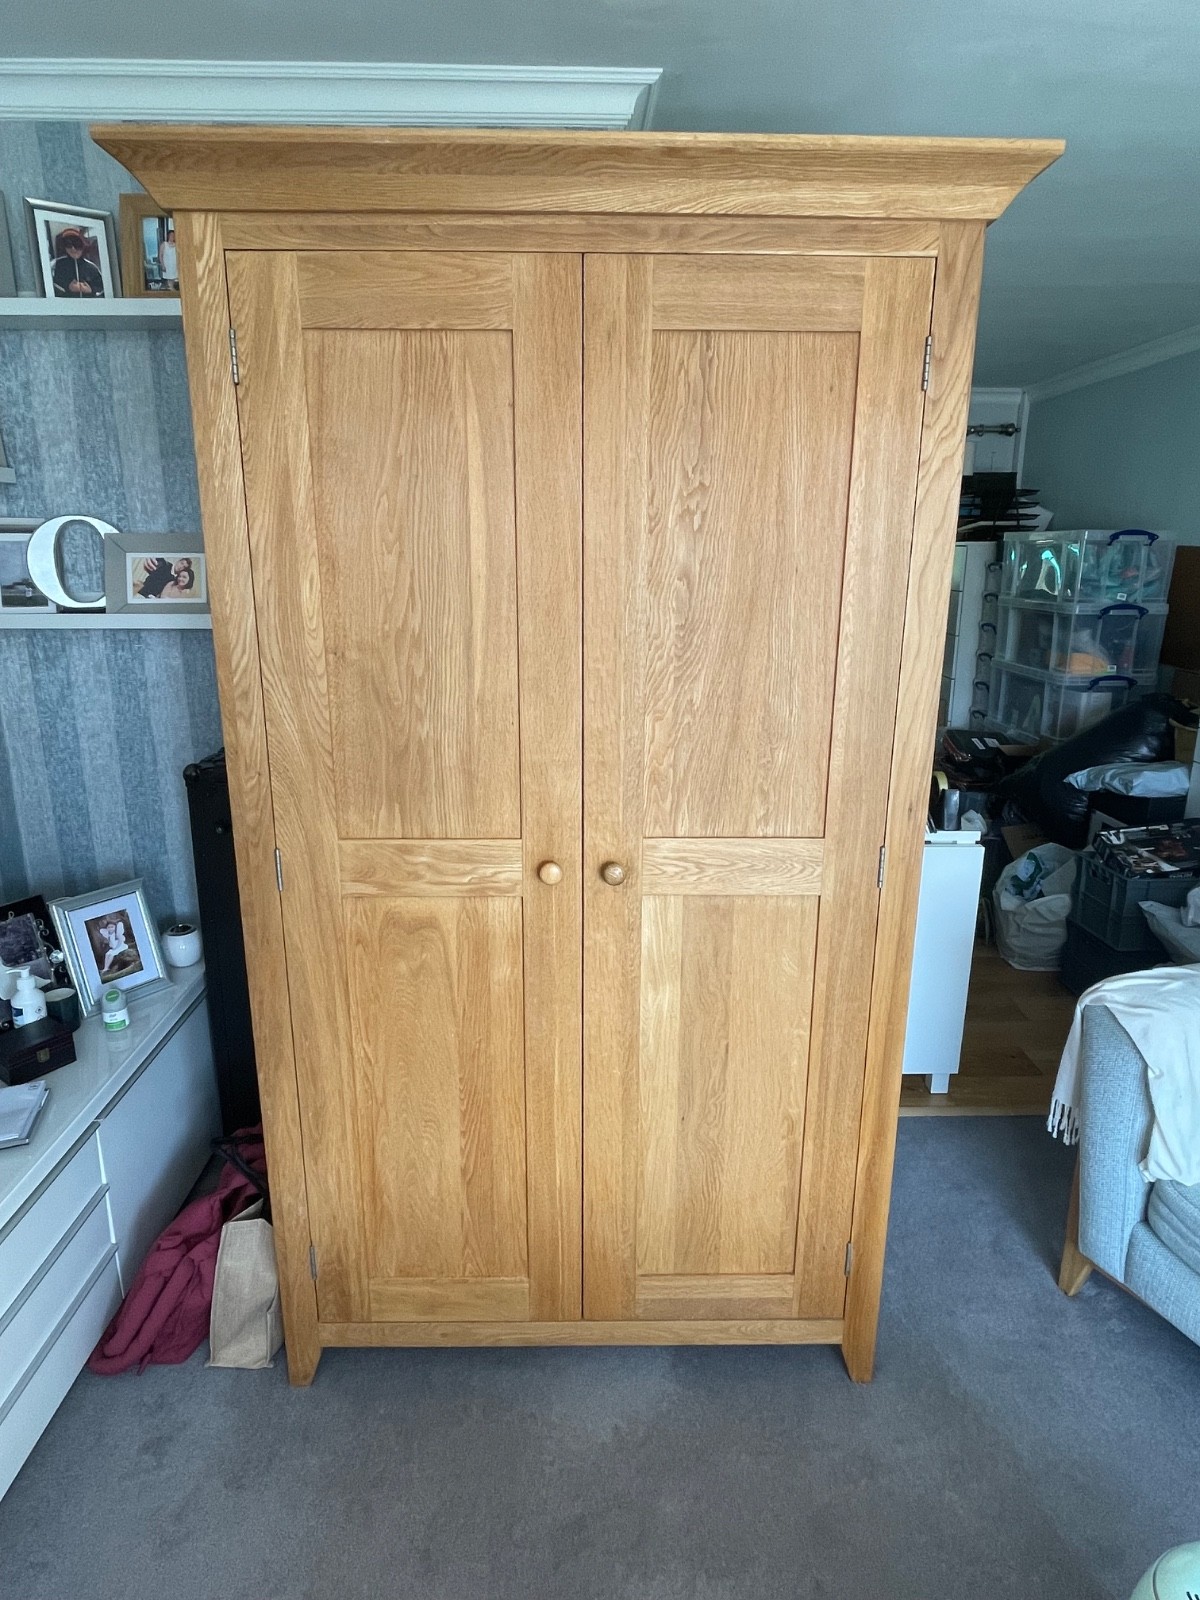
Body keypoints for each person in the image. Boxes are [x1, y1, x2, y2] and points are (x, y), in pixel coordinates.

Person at [51, 227, 105, 298]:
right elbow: (49, 286)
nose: (73, 248)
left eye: (77, 244)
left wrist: (91, 290)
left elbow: (103, 290)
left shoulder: (92, 268)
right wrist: (68, 288)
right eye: (68, 244)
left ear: (83, 245)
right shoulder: (56, 265)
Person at [158, 224, 178, 289]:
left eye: (174, 236)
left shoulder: (177, 245)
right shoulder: (164, 244)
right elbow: (160, 255)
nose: (172, 237)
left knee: (174, 278)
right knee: (169, 279)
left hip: (174, 265)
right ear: (168, 236)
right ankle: (171, 290)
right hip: (167, 265)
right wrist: (162, 265)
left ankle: (172, 289)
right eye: (171, 235)